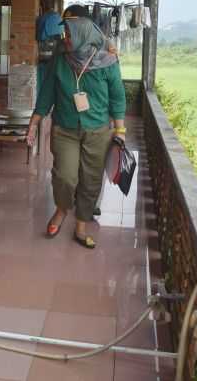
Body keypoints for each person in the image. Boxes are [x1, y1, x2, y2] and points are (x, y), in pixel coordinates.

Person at [26, 15, 126, 249]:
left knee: (91, 180)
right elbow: (47, 93)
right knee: (65, 177)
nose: (66, 38)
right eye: (66, 34)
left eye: (70, 35)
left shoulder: (108, 62)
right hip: (65, 129)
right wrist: (33, 123)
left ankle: (81, 225)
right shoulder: (60, 60)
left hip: (98, 130)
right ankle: (61, 210)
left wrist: (120, 129)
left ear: (84, 36)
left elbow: (118, 98)